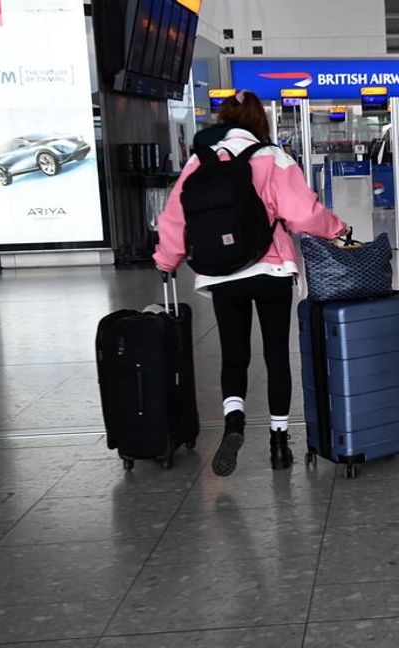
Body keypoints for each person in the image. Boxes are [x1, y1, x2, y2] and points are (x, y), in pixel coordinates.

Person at [153, 90, 348, 477]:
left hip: (220, 274)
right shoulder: (272, 157)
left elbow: (174, 219)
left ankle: (234, 423)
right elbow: (303, 215)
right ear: (260, 122)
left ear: (224, 120)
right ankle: (279, 443)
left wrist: (166, 260)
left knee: (234, 353)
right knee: (276, 355)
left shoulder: (199, 161)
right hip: (270, 269)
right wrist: (338, 229)